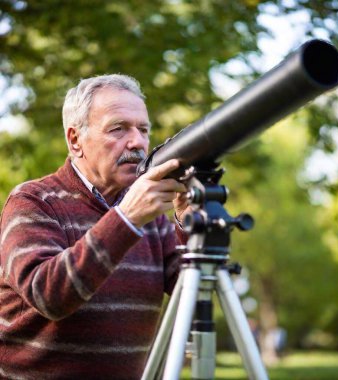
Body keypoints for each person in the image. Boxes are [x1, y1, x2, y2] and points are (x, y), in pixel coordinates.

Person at [0, 74, 192, 379]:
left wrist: (187, 222)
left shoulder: (150, 215)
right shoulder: (32, 202)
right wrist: (126, 219)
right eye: (118, 129)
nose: (137, 142)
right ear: (75, 140)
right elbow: (49, 295)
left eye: (143, 130)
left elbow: (191, 294)